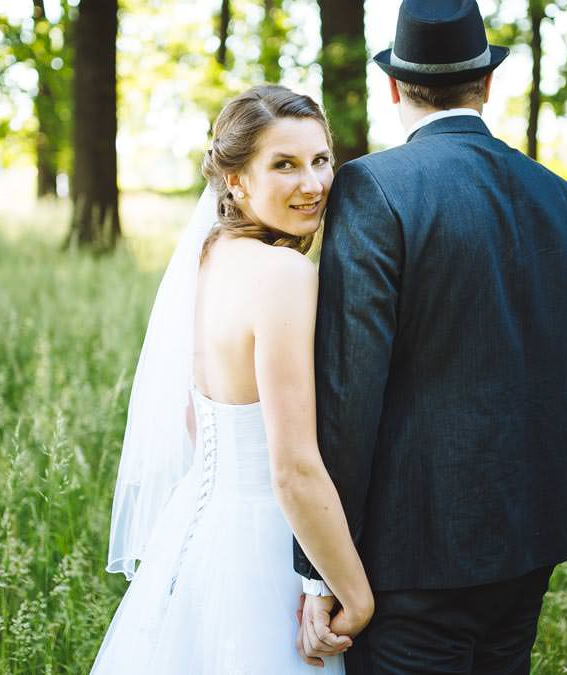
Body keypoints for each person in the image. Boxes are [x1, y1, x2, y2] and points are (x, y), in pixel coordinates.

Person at [293, 1, 567, 673]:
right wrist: (543, 472)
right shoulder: (558, 194)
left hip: (411, 552)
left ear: (393, 87)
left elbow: (351, 389)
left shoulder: (370, 188)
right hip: (532, 534)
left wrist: (320, 571)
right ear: (487, 83)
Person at [90, 85, 370, 674]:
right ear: (236, 180)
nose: (313, 183)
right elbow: (293, 468)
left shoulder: (209, 255)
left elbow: (197, 417)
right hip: (264, 551)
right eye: (285, 165)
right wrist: (357, 596)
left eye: (320, 160)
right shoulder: (286, 274)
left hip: (198, 531)